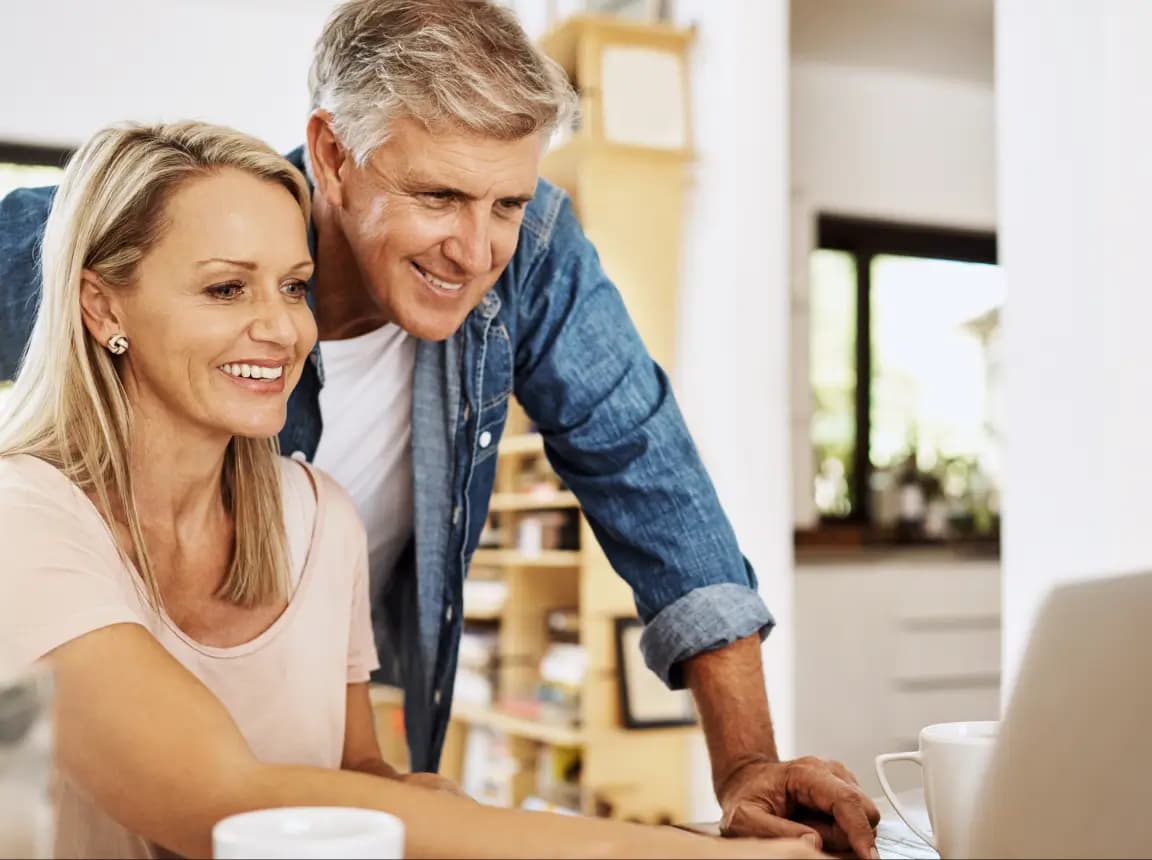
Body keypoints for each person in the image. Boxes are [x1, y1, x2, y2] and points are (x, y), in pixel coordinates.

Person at [0, 1, 880, 856]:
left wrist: (747, 764)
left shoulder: (322, 514)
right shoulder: (110, 240)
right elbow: (222, 799)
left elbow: (650, 474)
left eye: (506, 204)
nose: (476, 249)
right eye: (437, 195)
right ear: (333, 156)